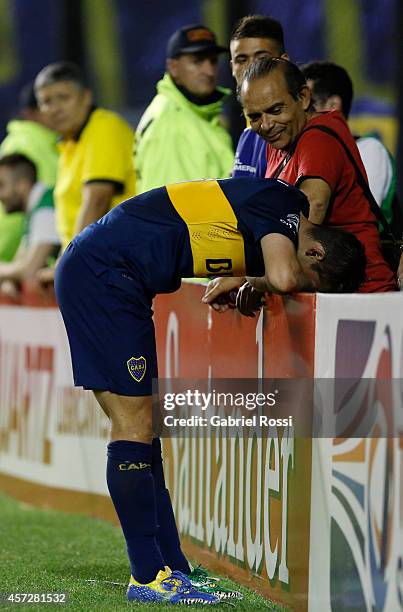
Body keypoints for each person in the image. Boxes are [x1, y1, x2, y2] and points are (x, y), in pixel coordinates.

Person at [55, 176, 365, 604]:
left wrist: (241, 274)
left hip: (117, 277)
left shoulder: (276, 211)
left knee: (145, 430)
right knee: (133, 426)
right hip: (104, 275)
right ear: (315, 251)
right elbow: (282, 275)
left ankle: (170, 566)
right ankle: (146, 576)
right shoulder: (282, 207)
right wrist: (252, 282)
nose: (303, 288)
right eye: (313, 278)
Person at [239, 57, 396, 292]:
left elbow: (312, 206)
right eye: (255, 117)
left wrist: (250, 275)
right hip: (321, 297)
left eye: (275, 110)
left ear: (303, 97)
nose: (266, 124)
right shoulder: (278, 142)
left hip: (362, 296)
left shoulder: (318, 137)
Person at [34, 61, 136, 259]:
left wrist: (68, 263)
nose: (55, 108)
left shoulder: (104, 127)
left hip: (117, 264)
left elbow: (97, 201)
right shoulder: (68, 144)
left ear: (86, 97)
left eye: (63, 98)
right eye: (46, 102)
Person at [135, 24, 234, 193]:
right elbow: (166, 207)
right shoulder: (170, 124)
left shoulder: (195, 114)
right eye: (197, 62)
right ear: (173, 67)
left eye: (213, 61)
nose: (209, 71)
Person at [301, 60, 398, 226]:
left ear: (333, 105)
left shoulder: (369, 149)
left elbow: (360, 219)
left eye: (308, 104)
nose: (301, 111)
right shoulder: (304, 153)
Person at [230, 15, 288, 178]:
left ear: (284, 62)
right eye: (242, 60)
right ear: (232, 68)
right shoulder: (248, 136)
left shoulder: (294, 130)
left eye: (262, 59)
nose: (251, 68)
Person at [0, 154, 59, 294]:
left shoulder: (46, 209)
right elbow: (19, 265)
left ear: (22, 185)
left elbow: (30, 270)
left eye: (1, 185)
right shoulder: (35, 208)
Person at [0, 82, 58, 188]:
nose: (57, 111)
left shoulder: (52, 142)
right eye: (47, 105)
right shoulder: (23, 145)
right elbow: (17, 198)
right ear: (30, 113)